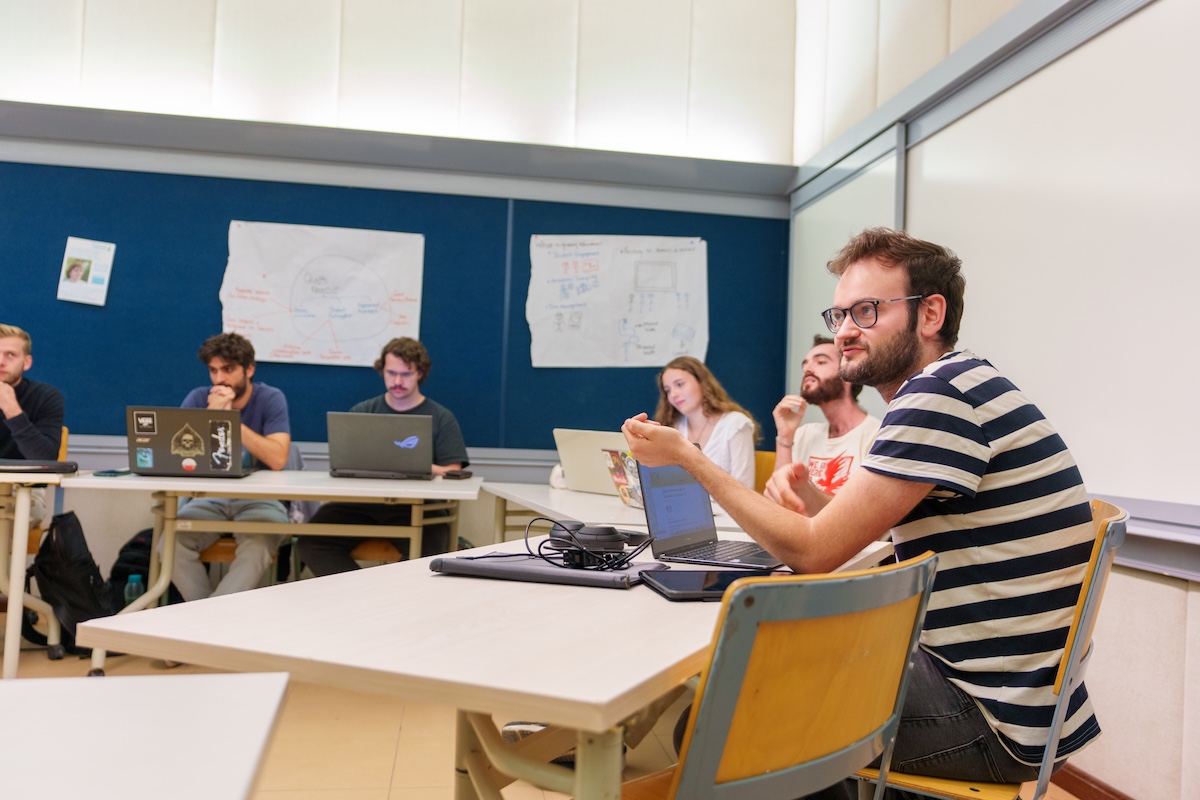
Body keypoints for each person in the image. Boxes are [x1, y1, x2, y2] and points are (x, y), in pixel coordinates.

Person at [623, 228, 1098, 796]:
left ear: (930, 314)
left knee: (718, 717)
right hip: (1019, 700)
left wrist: (686, 458)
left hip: (988, 717)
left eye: (867, 311)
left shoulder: (937, 394)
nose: (845, 331)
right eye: (841, 314)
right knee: (761, 675)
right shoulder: (965, 382)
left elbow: (814, 552)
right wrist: (820, 508)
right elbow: (847, 534)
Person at [298, 337, 468, 576]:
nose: (397, 381)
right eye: (391, 373)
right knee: (309, 543)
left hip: (418, 508)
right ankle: (362, 597)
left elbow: (453, 470)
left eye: (405, 374)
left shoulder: (441, 417)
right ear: (382, 371)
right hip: (361, 505)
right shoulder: (362, 412)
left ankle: (395, 601)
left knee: (429, 555)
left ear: (420, 373)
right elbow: (345, 461)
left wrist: (419, 466)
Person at [172, 332, 292, 601]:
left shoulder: (271, 398)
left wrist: (229, 420)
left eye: (228, 370)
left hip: (260, 500)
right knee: (170, 544)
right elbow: (178, 458)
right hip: (209, 499)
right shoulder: (198, 398)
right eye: (213, 371)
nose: (219, 379)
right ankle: (208, 620)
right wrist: (211, 416)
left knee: (258, 546)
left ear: (249, 369)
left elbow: (277, 458)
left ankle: (211, 620)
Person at [771, 334, 881, 511]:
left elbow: (867, 514)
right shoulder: (803, 434)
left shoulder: (877, 435)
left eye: (820, 362)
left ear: (847, 373)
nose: (807, 369)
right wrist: (785, 436)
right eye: (804, 364)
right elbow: (779, 506)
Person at [654, 356, 759, 489]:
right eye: (667, 390)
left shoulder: (736, 425)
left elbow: (745, 492)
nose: (673, 394)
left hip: (723, 510)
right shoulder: (674, 428)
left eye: (679, 384)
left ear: (702, 382)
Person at [0, 324, 65, 525]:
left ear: (26, 362)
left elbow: (46, 459)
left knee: (20, 513)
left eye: (10, 355)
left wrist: (12, 411)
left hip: (25, 489)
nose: (1, 361)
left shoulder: (46, 397)